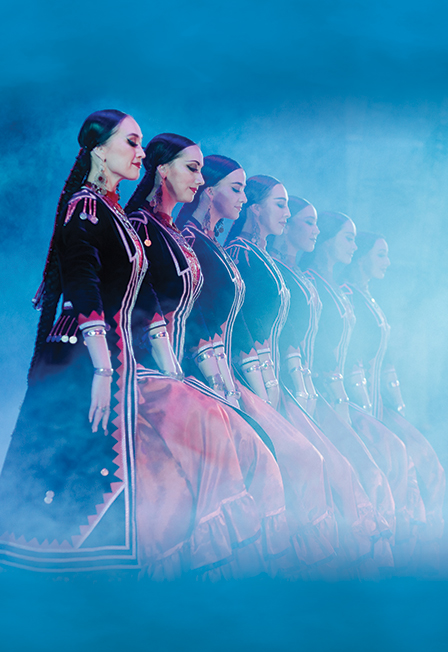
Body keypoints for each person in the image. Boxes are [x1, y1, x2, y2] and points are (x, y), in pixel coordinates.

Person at [126, 136, 293, 579]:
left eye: (202, 171)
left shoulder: (184, 237)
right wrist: (193, 378)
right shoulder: (149, 228)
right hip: (158, 374)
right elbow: (152, 310)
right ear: (163, 170)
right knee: (238, 469)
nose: (199, 181)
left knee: (265, 463)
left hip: (196, 375)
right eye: (193, 169)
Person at [176, 160, 349, 574]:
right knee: (300, 460)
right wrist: (245, 380)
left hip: (263, 379)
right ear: (255, 208)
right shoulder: (232, 250)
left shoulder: (240, 251)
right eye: (281, 205)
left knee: (325, 462)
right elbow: (222, 323)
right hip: (222, 375)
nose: (287, 214)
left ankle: (306, 569)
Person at [0, 109, 149, 571]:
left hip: (105, 356)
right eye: (131, 142)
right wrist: (103, 369)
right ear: (99, 149)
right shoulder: (85, 207)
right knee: (70, 475)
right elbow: (84, 289)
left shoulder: (110, 209)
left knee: (98, 474)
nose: (140, 152)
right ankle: (41, 581)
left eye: (142, 144)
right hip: (80, 360)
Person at [300, 211, 426, 567]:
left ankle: (398, 551)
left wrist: (389, 403)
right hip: (326, 395)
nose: (354, 247)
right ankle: (370, 556)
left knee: (405, 458)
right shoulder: (323, 286)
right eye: (349, 239)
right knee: (379, 463)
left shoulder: (349, 293)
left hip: (360, 399)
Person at [343, 231, 445, 569]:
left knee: (426, 460)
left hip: (377, 405)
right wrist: (367, 410)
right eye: (381, 255)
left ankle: (418, 553)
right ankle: (392, 555)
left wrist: (396, 407)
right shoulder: (347, 296)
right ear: (361, 258)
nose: (387, 262)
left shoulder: (369, 297)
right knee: (396, 463)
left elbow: (385, 361)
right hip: (354, 405)